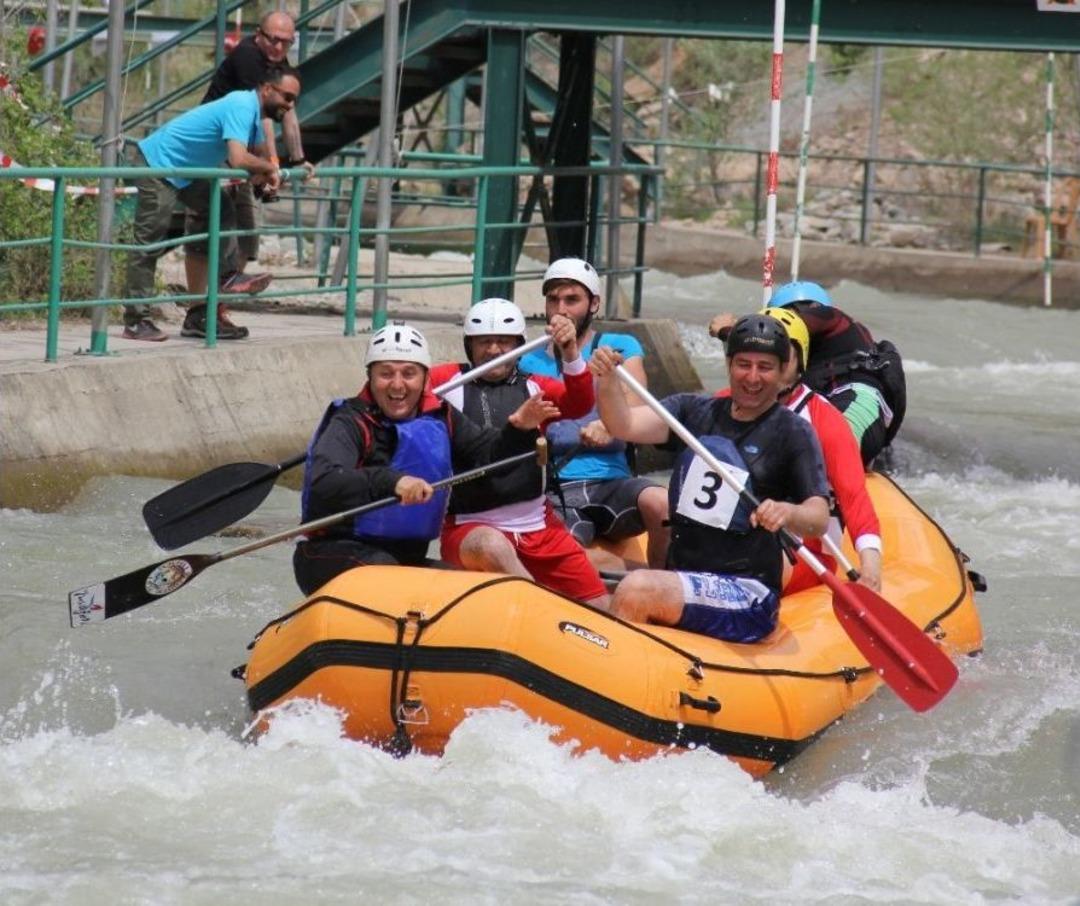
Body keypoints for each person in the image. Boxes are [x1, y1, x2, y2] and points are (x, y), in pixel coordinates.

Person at [590, 314, 830, 643]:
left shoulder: (793, 432)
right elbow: (623, 425)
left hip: (747, 593)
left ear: (782, 371)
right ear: (729, 364)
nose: (753, 377)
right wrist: (607, 381)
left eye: (765, 367)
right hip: (685, 575)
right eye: (743, 364)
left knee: (637, 589)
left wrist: (787, 512)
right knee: (588, 568)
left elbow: (818, 516)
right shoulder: (693, 412)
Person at [293, 321, 557, 595]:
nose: (397, 384)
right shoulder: (349, 421)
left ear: (425, 378)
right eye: (385, 373)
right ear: (370, 376)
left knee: (467, 590)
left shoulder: (441, 415)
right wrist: (391, 481)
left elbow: (486, 454)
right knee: (390, 574)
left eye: (409, 373)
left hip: (404, 557)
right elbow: (324, 480)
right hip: (333, 553)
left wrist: (518, 429)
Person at [429, 299, 608, 607]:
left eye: (504, 341)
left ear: (519, 346)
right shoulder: (445, 382)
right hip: (470, 525)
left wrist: (570, 351)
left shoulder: (535, 388)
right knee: (492, 546)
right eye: (484, 342)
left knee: (602, 608)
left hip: (538, 526)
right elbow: (400, 387)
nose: (494, 350)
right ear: (469, 346)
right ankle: (539, 608)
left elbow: (579, 403)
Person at [122, 65, 301, 342]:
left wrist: (274, 172)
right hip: (159, 165)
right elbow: (239, 159)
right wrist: (268, 169)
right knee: (149, 243)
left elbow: (258, 156)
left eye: (294, 100)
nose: (290, 106)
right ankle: (136, 321)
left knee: (221, 209)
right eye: (287, 97)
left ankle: (203, 310)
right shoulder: (242, 105)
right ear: (267, 89)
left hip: (186, 171)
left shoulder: (255, 116)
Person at [716, 306, 883, 592]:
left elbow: (854, 498)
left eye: (780, 358)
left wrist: (870, 568)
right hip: (730, 536)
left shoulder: (824, 419)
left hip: (803, 553)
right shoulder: (720, 404)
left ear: (797, 364)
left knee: (752, 561)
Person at [519, 258, 669, 569]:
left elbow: (637, 404)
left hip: (613, 485)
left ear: (594, 304)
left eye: (572, 299)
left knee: (663, 503)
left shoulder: (618, 347)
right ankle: (623, 572)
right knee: (562, 557)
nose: (561, 310)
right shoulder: (528, 361)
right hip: (558, 491)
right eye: (553, 300)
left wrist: (609, 425)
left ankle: (665, 581)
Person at [708, 281, 907, 467]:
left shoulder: (831, 317)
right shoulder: (818, 348)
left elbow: (777, 331)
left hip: (855, 407)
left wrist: (728, 330)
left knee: (812, 460)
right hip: (853, 413)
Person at [197, 11, 316, 295]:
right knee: (219, 226)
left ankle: (220, 300)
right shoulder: (247, 57)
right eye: (274, 40)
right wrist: (272, 164)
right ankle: (205, 303)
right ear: (258, 35)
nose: (279, 47)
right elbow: (264, 119)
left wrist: (298, 159)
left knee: (248, 234)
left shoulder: (278, 63)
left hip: (243, 153)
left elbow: (287, 111)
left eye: (286, 42)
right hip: (217, 150)